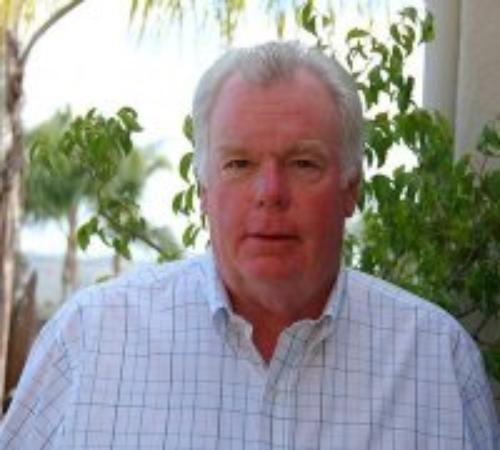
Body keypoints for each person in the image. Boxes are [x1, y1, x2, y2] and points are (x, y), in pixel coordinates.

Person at [0, 41, 498, 449]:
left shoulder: (437, 361)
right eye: (239, 164)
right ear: (203, 191)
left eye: (304, 163)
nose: (270, 193)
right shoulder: (88, 342)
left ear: (351, 189)